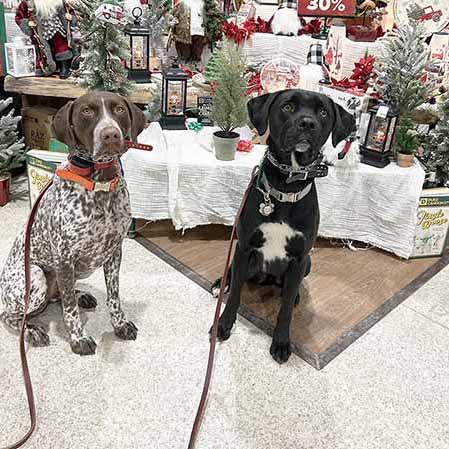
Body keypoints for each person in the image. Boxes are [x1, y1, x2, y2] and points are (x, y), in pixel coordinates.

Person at [15, 0, 80, 78]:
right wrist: (27, 23)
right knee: (43, 50)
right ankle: (47, 68)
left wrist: (71, 17)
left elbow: (70, 11)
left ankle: (64, 68)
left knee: (62, 47)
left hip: (58, 28)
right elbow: (19, 16)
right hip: (41, 31)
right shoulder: (28, 2)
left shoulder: (59, 2)